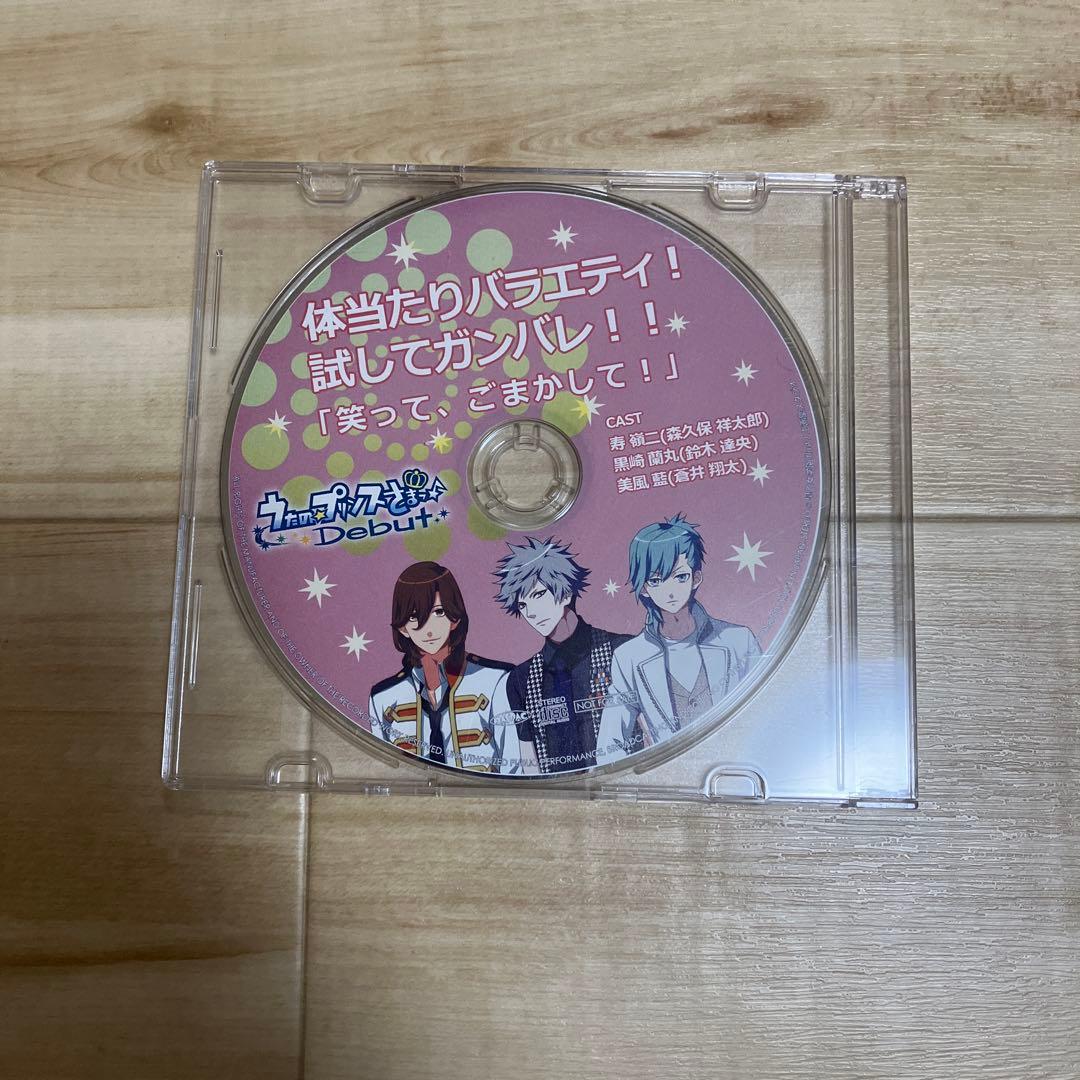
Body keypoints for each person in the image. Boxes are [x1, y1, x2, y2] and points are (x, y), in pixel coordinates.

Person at [595, 515, 761, 765]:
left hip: (740, 767)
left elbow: (770, 711)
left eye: (680, 576)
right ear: (644, 588)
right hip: (671, 779)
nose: (669, 590)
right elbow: (609, 745)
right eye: (656, 580)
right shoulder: (629, 658)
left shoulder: (739, 640)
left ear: (696, 577)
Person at [368, 561, 523, 774]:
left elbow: (514, 766)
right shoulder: (382, 697)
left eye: (439, 612)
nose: (429, 628)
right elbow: (385, 771)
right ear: (403, 627)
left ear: (454, 617)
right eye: (414, 617)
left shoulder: (497, 680)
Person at [494, 537, 631, 773]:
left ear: (565, 593)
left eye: (538, 595)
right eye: (523, 605)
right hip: (556, 791)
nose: (531, 613)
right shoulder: (521, 679)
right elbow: (530, 761)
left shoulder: (622, 650)